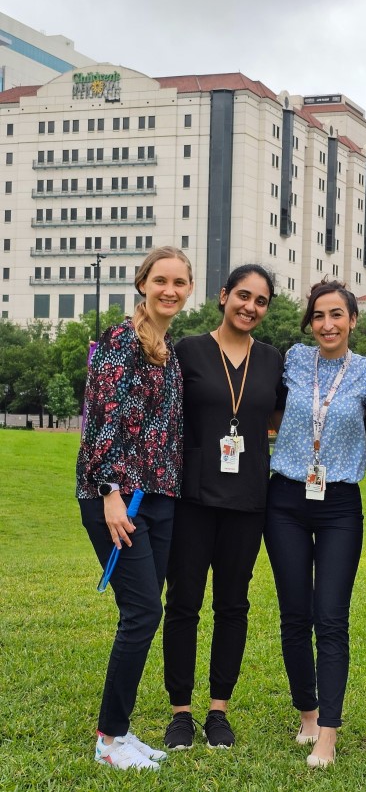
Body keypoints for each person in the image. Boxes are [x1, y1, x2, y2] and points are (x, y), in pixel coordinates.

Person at [76, 246, 194, 771]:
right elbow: (99, 420)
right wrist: (109, 492)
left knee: (147, 610)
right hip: (119, 500)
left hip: (160, 496)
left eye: (180, 282)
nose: (170, 290)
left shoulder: (170, 350)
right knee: (142, 611)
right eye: (161, 280)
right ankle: (108, 740)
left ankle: (120, 731)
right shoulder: (119, 342)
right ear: (143, 284)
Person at [162, 264, 286, 750]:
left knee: (233, 605)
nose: (250, 307)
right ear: (222, 296)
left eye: (260, 301)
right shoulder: (187, 350)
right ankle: (180, 711)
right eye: (243, 295)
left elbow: (277, 413)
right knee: (184, 604)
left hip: (248, 500)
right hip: (192, 498)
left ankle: (218, 711)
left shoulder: (273, 360)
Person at [264, 279, 366, 768]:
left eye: (337, 314)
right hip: (286, 500)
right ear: (309, 322)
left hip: (338, 505)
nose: (328, 324)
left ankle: (328, 735)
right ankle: (308, 713)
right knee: (295, 615)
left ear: (353, 320)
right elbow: (266, 411)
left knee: (330, 617)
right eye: (318, 315)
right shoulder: (292, 360)